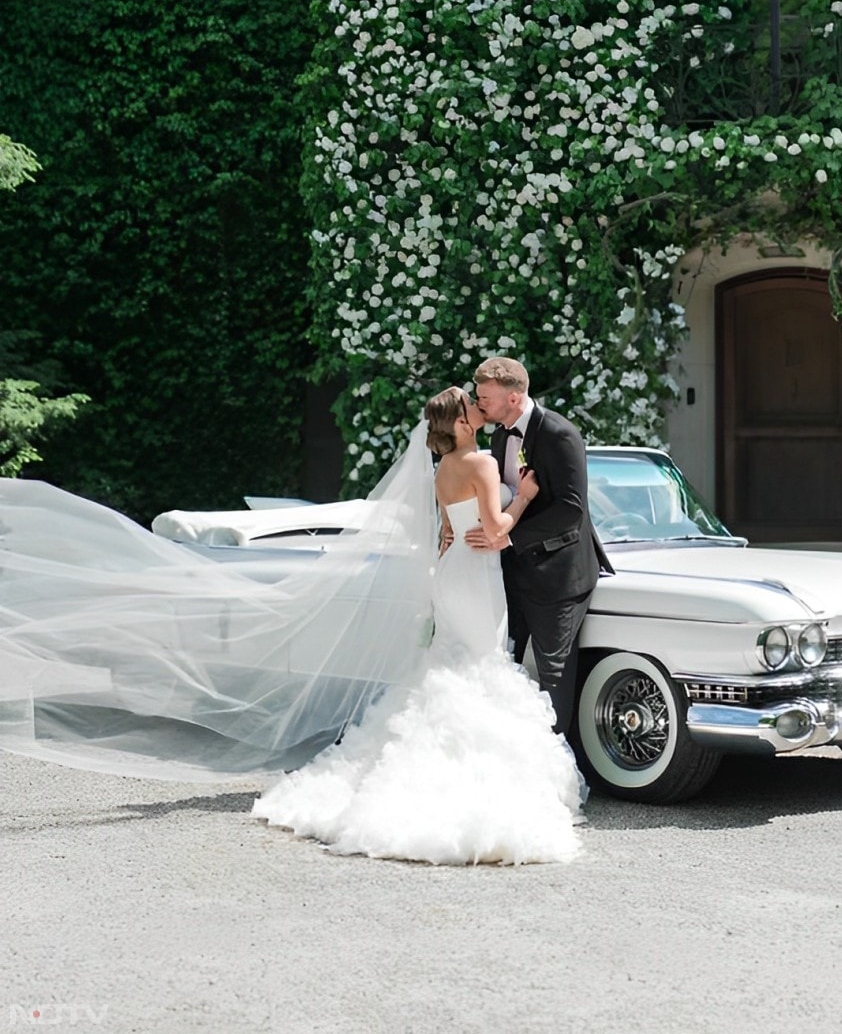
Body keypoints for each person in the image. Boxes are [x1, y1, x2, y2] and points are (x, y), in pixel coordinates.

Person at [0, 389, 585, 864]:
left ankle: (447, 771)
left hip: (452, 574)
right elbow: (497, 530)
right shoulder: (482, 462)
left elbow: (447, 535)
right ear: (461, 422)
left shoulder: (441, 470)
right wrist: (526, 495)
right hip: (478, 577)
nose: (480, 409)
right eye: (472, 405)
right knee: (480, 665)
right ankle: (476, 781)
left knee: (456, 666)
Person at [465, 357, 613, 738]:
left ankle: (558, 773)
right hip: (511, 571)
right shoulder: (500, 435)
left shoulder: (559, 434)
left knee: (554, 675)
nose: (479, 402)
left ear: (513, 399)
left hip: (558, 576)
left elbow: (571, 509)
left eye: (485, 397)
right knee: (503, 664)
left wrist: (508, 536)